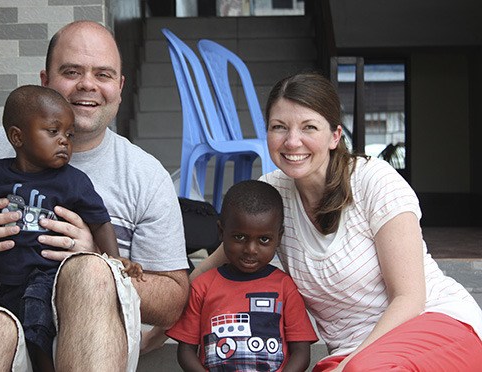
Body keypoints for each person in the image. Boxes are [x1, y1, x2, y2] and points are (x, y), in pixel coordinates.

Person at [0, 21, 189, 371]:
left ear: (120, 87)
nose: (88, 85)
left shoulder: (145, 174)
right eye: (71, 71)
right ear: (44, 80)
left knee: (91, 274)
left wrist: (99, 261)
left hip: (95, 332)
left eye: (103, 74)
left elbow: (172, 300)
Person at [184, 72, 482, 371]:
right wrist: (154, 334)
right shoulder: (272, 195)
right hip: (352, 353)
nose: (292, 141)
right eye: (279, 127)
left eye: (309, 127)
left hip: (434, 326)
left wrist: (351, 365)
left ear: (335, 136)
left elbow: (410, 299)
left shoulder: (373, 181)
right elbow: (209, 273)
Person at [0, 84, 144, 370]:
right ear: (17, 137)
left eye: (69, 135)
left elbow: (100, 222)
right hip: (6, 283)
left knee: (38, 332)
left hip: (49, 280)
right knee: (2, 327)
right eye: (53, 132)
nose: (64, 142)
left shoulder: (73, 181)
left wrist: (115, 260)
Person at [166, 180, 318, 372]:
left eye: (264, 239)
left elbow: (301, 352)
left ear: (278, 237)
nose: (250, 250)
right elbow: (186, 351)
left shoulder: (285, 287)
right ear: (221, 232)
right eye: (239, 237)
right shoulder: (202, 286)